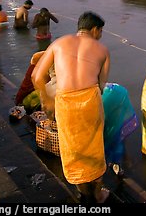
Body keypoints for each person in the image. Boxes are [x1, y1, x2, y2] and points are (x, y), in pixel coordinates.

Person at [32, 11, 111, 203]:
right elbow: (101, 87)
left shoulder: (58, 43)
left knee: (73, 147)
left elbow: (37, 77)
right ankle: (98, 193)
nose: (100, 36)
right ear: (95, 29)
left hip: (65, 102)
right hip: (90, 100)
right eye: (100, 31)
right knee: (95, 147)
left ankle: (83, 191)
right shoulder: (102, 50)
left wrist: (48, 101)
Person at [102, 83, 138, 170]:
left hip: (100, 96)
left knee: (108, 130)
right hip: (116, 91)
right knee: (118, 124)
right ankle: (123, 158)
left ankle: (116, 161)